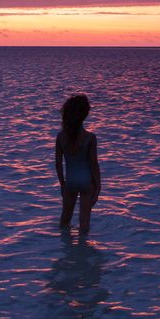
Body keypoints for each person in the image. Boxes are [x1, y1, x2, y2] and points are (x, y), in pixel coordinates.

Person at [55, 93, 101, 234]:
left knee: (65, 220)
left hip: (71, 182)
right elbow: (94, 164)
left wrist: (62, 184)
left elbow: (58, 164)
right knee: (84, 222)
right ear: (85, 115)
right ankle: (83, 252)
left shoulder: (61, 137)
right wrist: (98, 186)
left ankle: (65, 250)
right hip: (86, 182)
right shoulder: (90, 138)